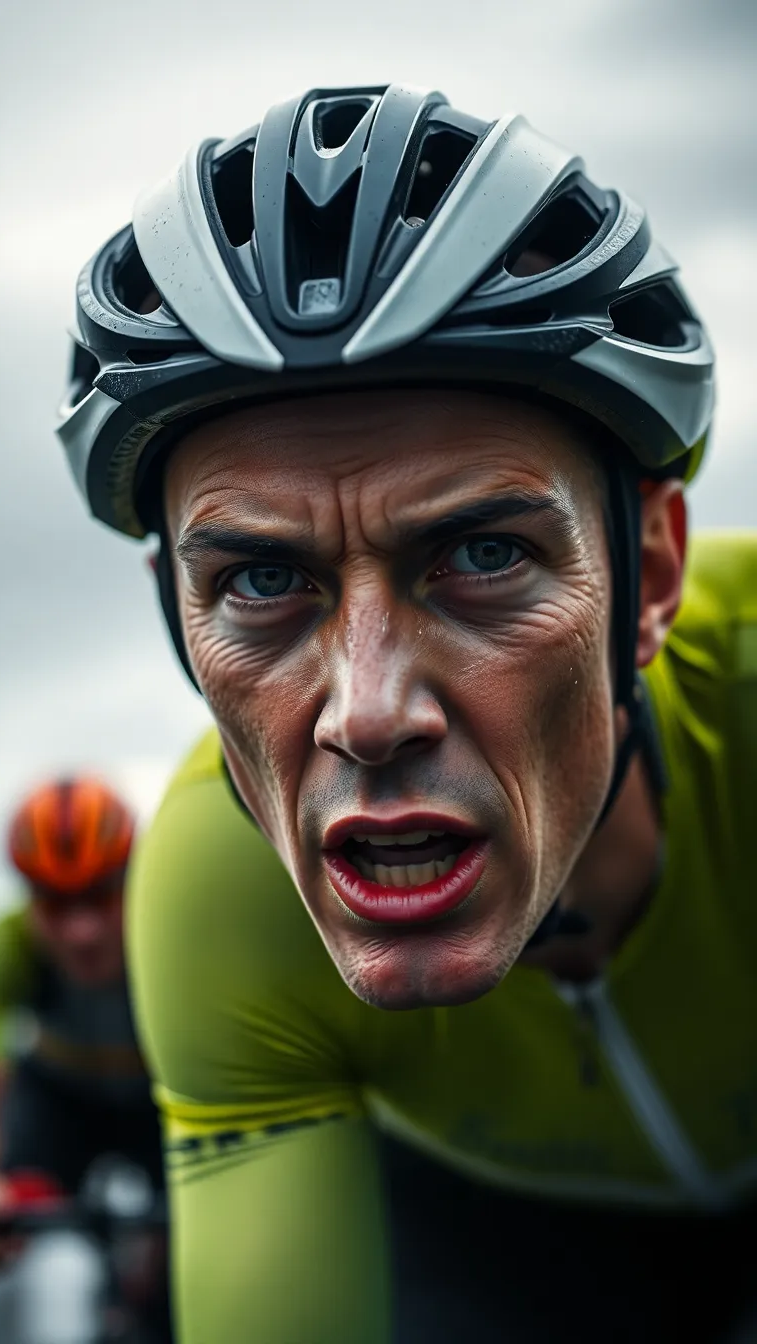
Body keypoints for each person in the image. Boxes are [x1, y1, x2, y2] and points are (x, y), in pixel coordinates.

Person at [56, 85, 756, 1343]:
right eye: (260, 581)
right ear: (177, 618)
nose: (370, 716)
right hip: (507, 1244)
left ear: (651, 574)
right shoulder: (221, 894)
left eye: (483, 554)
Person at [0, 778, 164, 1228]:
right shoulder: (9, 945)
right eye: (55, 903)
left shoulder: (171, 934)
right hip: (58, 1101)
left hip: (158, 1098)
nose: (81, 932)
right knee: (13, 1214)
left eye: (101, 895)